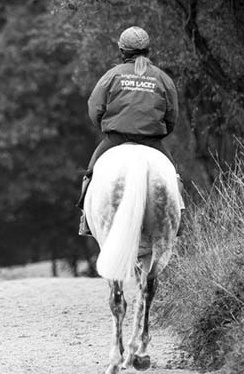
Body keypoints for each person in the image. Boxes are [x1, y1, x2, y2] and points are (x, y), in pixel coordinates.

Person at [77, 26, 183, 236]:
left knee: (91, 173)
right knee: (173, 175)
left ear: (122, 51)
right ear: (148, 50)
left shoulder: (112, 75)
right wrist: (160, 132)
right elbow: (172, 115)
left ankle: (86, 220)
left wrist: (105, 128)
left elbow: (94, 108)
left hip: (116, 139)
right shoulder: (163, 78)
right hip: (152, 141)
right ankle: (179, 220)